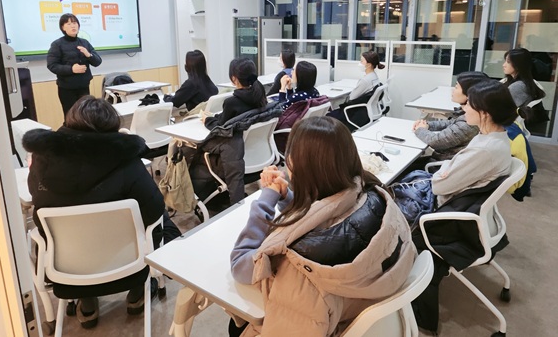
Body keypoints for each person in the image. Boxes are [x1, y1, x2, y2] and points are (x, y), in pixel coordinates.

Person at [229, 117, 416, 337]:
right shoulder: (376, 197)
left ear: (299, 166)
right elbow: (325, 214)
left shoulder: (299, 261)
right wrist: (286, 196)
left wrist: (266, 198)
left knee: (236, 323)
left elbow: (241, 266)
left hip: (324, 322)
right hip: (366, 316)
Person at [22, 96, 180, 329]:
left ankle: (87, 305)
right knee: (159, 217)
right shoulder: (127, 159)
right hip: (129, 265)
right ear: (112, 126)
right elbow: (153, 211)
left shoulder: (42, 161)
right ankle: (137, 294)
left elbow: (35, 197)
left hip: (66, 266)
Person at [398, 80, 518, 333]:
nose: (464, 109)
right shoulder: (493, 138)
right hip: (466, 208)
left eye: (469, 105)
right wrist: (446, 172)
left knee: (390, 206)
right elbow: (450, 173)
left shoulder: (485, 150)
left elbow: (439, 186)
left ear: (484, 113)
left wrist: (444, 174)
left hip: (449, 218)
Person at [412, 71, 489, 161]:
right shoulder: (471, 115)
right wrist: (427, 124)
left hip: (442, 164)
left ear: (469, 94)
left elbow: (436, 141)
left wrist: (420, 129)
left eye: (456, 87)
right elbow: (451, 122)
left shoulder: (470, 123)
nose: (452, 90)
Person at [47, 13, 102, 118]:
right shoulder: (57, 44)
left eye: (74, 23)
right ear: (63, 27)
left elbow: (98, 62)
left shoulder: (84, 42)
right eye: (68, 24)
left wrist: (88, 54)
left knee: (86, 116)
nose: (73, 26)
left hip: (84, 87)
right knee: (71, 117)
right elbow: (52, 65)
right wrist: (71, 69)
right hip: (67, 89)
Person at [202, 58, 267, 129]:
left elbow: (220, 127)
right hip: (257, 135)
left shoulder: (231, 102)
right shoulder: (260, 95)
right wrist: (214, 116)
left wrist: (206, 120)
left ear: (234, 79)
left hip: (236, 135)